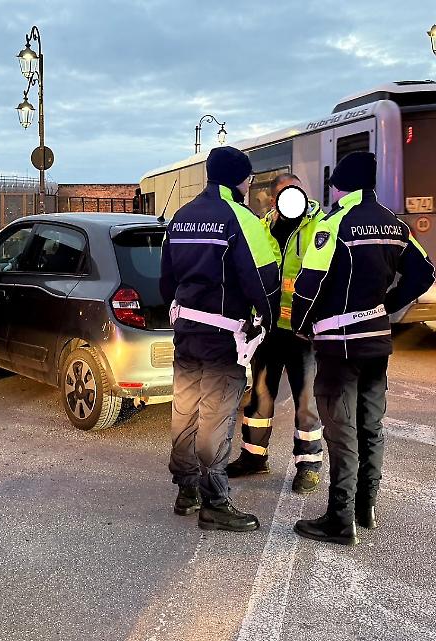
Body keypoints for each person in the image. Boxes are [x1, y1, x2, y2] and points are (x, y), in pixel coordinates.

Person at [291, 151, 435, 546]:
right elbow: (426, 272)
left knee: (341, 431)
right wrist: (387, 305)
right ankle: (365, 507)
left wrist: (300, 327)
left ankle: (339, 520)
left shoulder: (333, 225)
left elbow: (310, 284)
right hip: (376, 341)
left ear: (340, 185)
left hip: (338, 345)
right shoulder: (394, 226)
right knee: (371, 424)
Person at [159, 146, 281, 533]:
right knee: (214, 416)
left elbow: (165, 282)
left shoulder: (181, 218)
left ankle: (186, 490)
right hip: (223, 336)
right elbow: (264, 281)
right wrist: (268, 321)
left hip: (186, 331)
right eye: (248, 178)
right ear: (241, 180)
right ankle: (214, 502)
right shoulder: (239, 218)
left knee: (185, 410)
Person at [228, 173, 326, 495]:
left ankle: (309, 465)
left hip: (303, 333)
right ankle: (254, 457)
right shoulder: (262, 227)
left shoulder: (319, 226)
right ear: (273, 200)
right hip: (269, 331)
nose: (291, 198)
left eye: (296, 191)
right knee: (260, 397)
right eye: (284, 194)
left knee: (305, 401)